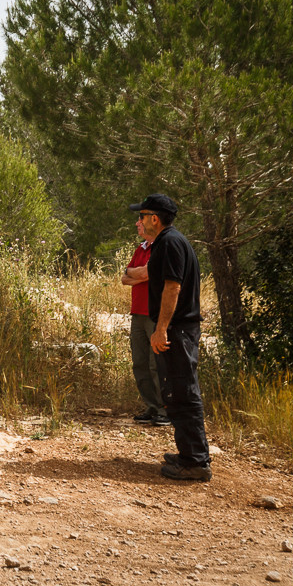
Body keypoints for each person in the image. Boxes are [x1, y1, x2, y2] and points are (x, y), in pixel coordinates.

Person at [130, 193, 211, 482]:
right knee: (177, 392)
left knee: (183, 393)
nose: (138, 220)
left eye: (142, 216)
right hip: (176, 330)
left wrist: (162, 328)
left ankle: (195, 462)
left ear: (155, 218)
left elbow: (172, 287)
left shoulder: (170, 243)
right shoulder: (168, 242)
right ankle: (189, 454)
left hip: (177, 330)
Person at [121, 215, 168, 426]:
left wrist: (137, 274)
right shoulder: (140, 249)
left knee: (156, 363)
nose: (136, 223)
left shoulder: (161, 246)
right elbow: (124, 278)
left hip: (154, 313)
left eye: (140, 220)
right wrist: (136, 274)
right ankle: (150, 406)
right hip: (137, 313)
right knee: (139, 362)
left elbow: (150, 273)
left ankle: (164, 410)